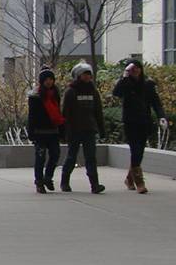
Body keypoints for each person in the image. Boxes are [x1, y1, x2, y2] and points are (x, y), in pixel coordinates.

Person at [113, 59, 167, 194]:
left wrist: (162, 116)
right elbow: (116, 93)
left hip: (144, 122)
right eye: (131, 69)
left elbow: (156, 103)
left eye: (137, 68)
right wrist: (124, 76)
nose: (135, 71)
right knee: (135, 150)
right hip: (130, 123)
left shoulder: (148, 85)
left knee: (140, 151)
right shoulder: (126, 84)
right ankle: (139, 182)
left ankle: (129, 179)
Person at [61, 61, 106, 194]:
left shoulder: (94, 92)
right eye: (84, 74)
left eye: (89, 74)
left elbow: (98, 112)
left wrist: (101, 130)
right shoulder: (70, 92)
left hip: (89, 130)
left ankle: (95, 184)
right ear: (78, 76)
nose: (87, 77)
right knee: (71, 157)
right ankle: (65, 182)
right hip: (74, 130)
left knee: (91, 157)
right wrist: (64, 132)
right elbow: (65, 113)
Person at [27, 67, 66, 194]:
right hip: (39, 132)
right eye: (47, 80)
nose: (49, 82)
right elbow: (31, 116)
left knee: (55, 155)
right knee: (40, 157)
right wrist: (31, 132)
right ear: (42, 81)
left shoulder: (55, 94)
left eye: (51, 79)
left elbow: (58, 113)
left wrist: (62, 130)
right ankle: (39, 182)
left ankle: (48, 177)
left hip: (53, 131)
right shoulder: (35, 96)